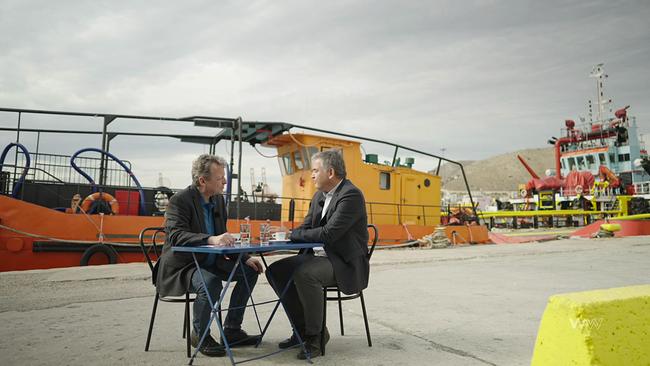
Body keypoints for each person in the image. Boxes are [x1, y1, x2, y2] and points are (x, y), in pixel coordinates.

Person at [154, 154, 264, 357]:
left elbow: (224, 237)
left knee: (250, 272)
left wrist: (245, 257)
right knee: (210, 282)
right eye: (220, 177)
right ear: (202, 181)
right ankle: (200, 335)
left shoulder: (218, 200)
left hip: (212, 261)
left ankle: (231, 331)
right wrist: (211, 239)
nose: (225, 181)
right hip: (184, 266)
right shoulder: (179, 201)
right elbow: (177, 236)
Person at [266, 149, 369, 359]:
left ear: (330, 172)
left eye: (315, 170)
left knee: (305, 273)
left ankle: (316, 336)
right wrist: (286, 236)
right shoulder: (319, 195)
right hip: (319, 256)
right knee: (275, 271)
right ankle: (301, 330)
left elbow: (329, 234)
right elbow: (306, 227)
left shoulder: (351, 195)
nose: (311, 175)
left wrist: (294, 234)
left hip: (342, 261)